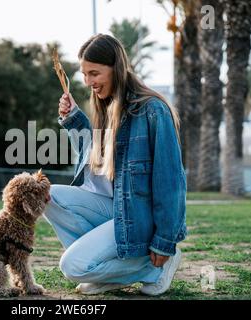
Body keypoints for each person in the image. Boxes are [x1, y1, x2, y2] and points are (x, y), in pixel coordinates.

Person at [43, 34, 187, 296]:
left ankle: (153, 268)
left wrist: (165, 241)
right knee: (44, 194)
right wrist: (74, 119)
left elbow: (171, 182)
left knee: (72, 266)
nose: (88, 82)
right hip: (114, 208)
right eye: (85, 75)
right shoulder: (105, 107)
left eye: (94, 73)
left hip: (137, 216)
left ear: (116, 68)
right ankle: (108, 273)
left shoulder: (153, 110)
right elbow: (95, 159)